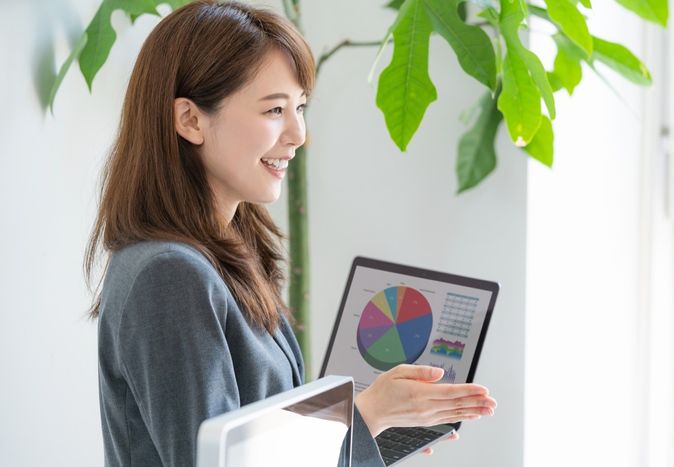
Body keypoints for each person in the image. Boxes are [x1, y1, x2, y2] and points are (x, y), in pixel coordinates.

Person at [84, 1, 498, 466]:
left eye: (299, 106)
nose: (299, 133)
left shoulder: (225, 252)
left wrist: (370, 427)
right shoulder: (168, 275)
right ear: (190, 120)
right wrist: (365, 415)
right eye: (275, 109)